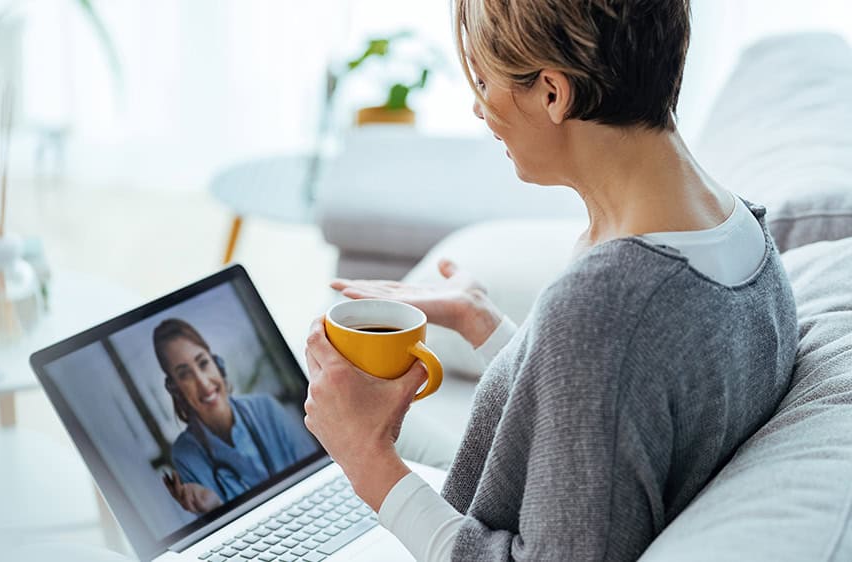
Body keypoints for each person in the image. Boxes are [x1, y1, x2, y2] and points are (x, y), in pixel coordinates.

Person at [303, 1, 798, 560]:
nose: (477, 106)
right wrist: (483, 323)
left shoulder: (606, 310)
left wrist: (369, 460)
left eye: (484, 79)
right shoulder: (737, 229)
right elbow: (609, 418)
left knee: (311, 425)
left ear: (553, 93)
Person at [154, 318, 319, 515]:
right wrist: (214, 508)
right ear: (175, 388)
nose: (203, 383)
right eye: (185, 375)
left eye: (203, 363)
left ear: (217, 363)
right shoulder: (186, 455)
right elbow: (215, 529)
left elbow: (316, 474)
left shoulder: (266, 409)